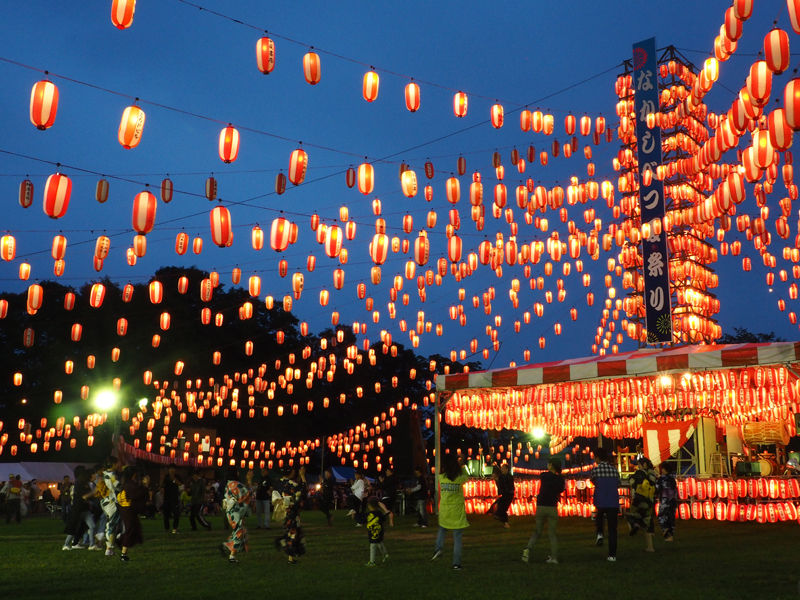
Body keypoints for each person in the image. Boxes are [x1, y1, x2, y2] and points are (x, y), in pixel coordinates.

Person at [522, 458, 565, 564]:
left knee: (537, 531)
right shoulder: (560, 479)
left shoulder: (544, 475)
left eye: (548, 464)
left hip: (541, 506)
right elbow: (560, 490)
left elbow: (544, 478)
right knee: (552, 534)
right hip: (552, 507)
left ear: (551, 465)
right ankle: (554, 558)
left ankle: (528, 549)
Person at [431, 453, 469, 570]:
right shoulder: (460, 478)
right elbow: (467, 475)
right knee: (457, 538)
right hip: (457, 510)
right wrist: (462, 465)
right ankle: (456, 564)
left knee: (442, 529)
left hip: (445, 509)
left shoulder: (441, 478)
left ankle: (438, 548)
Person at [590, 447, 621, 562]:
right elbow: (618, 483)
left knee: (599, 516)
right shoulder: (614, 470)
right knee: (613, 529)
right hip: (613, 502)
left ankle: (600, 534)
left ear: (598, 458)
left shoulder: (596, 470)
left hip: (601, 501)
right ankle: (612, 555)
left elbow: (593, 481)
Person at [220, 467, 251, 563]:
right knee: (239, 532)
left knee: (239, 531)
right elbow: (246, 493)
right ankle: (228, 549)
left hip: (230, 512)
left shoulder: (228, 484)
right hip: (236, 511)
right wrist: (249, 480)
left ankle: (231, 553)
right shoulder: (236, 484)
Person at [626, 457, 657, 552]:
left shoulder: (639, 473)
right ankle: (650, 547)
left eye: (639, 464)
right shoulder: (653, 473)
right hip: (650, 500)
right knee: (647, 523)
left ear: (644, 464)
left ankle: (635, 525)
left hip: (639, 499)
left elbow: (632, 481)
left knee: (630, 515)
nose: (638, 466)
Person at [118, 468, 149, 561]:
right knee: (130, 530)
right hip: (128, 510)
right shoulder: (129, 484)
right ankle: (123, 553)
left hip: (127, 510)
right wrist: (145, 485)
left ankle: (121, 541)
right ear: (133, 474)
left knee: (134, 528)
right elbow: (138, 495)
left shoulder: (128, 483)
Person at [62, 466, 92, 550]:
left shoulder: (80, 482)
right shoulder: (78, 483)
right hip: (77, 508)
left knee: (81, 526)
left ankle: (75, 543)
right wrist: (93, 492)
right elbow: (82, 496)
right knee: (74, 527)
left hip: (81, 508)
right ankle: (67, 544)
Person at [99, 459, 123, 556]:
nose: (118, 465)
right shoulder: (112, 475)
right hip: (112, 502)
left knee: (113, 524)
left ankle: (110, 545)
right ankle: (109, 548)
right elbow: (118, 486)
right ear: (113, 464)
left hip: (107, 502)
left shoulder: (105, 474)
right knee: (111, 525)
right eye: (117, 463)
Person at [365, 497, 393, 566]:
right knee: (379, 543)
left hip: (373, 532)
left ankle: (372, 562)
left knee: (373, 546)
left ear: (369, 505)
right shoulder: (379, 513)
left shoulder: (369, 514)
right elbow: (384, 519)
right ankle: (385, 555)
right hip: (380, 531)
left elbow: (363, 520)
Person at [656, 463, 678, 542]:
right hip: (673, 500)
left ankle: (666, 532)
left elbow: (657, 488)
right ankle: (670, 535)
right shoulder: (672, 479)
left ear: (664, 469)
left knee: (662, 517)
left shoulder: (661, 479)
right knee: (671, 517)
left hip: (665, 500)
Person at [161, 465, 181, 534]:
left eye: (173, 469)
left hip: (175, 498)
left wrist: (174, 480)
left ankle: (175, 528)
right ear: (168, 470)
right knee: (166, 514)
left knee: (176, 514)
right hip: (166, 498)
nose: (172, 470)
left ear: (175, 470)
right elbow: (162, 486)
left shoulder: (177, 476)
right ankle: (167, 529)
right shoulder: (166, 477)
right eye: (170, 469)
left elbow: (180, 485)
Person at [494, 463, 515, 528]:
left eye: (503, 468)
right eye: (501, 468)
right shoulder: (501, 476)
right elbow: (499, 486)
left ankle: (505, 522)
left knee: (503, 509)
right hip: (504, 494)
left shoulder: (509, 477)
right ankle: (503, 520)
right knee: (501, 508)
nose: (502, 470)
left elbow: (509, 487)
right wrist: (496, 480)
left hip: (508, 495)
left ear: (507, 469)